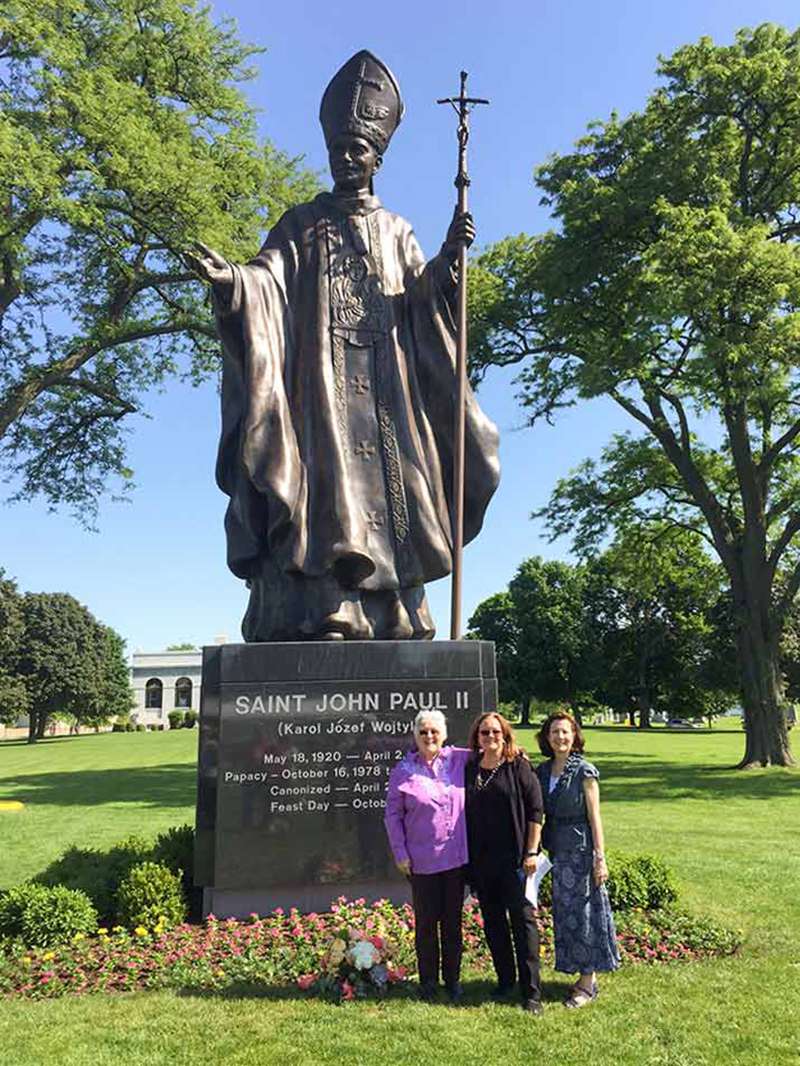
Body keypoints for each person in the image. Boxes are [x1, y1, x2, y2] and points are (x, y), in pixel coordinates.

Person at [187, 50, 500, 641]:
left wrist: (448, 260)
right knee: (327, 499)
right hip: (321, 395)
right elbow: (268, 280)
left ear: (376, 158)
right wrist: (232, 281)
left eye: (358, 150)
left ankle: (401, 610)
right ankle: (330, 606)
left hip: (388, 393)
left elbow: (420, 299)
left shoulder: (395, 228)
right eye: (339, 150)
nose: (347, 159)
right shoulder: (299, 223)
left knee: (402, 493)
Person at [384, 710, 471, 1002]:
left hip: (455, 859)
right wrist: (400, 853)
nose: (429, 736)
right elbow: (392, 815)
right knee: (425, 925)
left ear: (444, 734)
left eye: (434, 731)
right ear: (415, 736)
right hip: (420, 861)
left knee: (452, 923)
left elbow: (492, 751)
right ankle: (428, 982)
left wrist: (515, 749)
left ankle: (453, 981)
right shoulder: (403, 770)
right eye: (423, 732)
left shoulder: (458, 759)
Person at [535, 710, 620, 1008]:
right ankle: (582, 976)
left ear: (575, 737)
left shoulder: (585, 771)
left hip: (582, 855)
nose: (560, 737)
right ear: (547, 737)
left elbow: (595, 817)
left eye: (565, 732)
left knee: (585, 915)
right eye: (555, 732)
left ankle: (587, 983)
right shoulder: (542, 772)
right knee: (567, 916)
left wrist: (600, 858)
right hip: (558, 854)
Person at [464, 712, 544, 1015]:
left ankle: (532, 992)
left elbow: (536, 810)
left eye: (495, 732)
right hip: (483, 863)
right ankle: (505, 981)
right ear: (477, 737)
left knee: (524, 926)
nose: (490, 737)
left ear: (505, 735)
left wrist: (531, 852)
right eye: (484, 733)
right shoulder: (471, 768)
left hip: (517, 862)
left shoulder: (518, 766)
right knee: (494, 924)